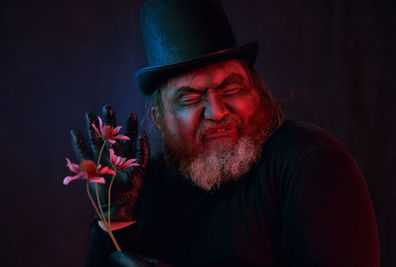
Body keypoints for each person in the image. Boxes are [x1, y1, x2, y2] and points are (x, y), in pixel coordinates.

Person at [71, 0, 380, 266]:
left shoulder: (310, 163)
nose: (217, 112)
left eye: (231, 88)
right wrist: (116, 217)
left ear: (258, 93)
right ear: (161, 119)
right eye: (190, 98)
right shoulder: (145, 184)